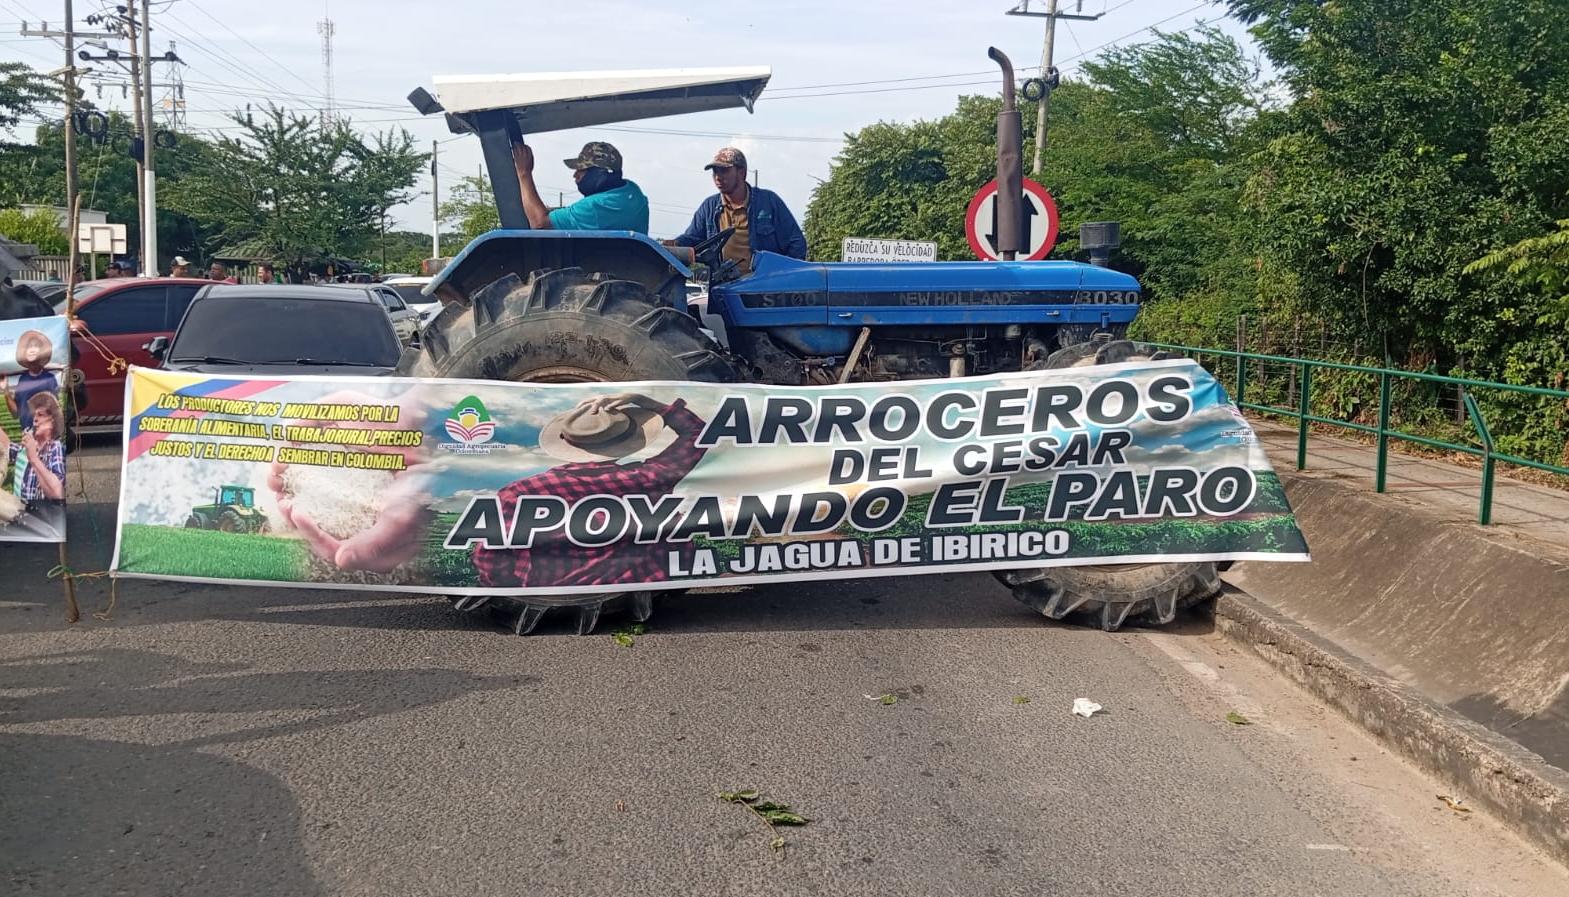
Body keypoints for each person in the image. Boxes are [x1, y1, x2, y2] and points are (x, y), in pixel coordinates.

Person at [474, 392, 707, 589]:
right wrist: (641, 400)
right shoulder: (649, 478)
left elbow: (491, 557)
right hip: (635, 589)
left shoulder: (520, 492)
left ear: (566, 443)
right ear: (625, 442)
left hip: (550, 595)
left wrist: (515, 591)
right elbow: (698, 433)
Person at [670, 147, 806, 277]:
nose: (717, 177)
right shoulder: (709, 207)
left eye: (724, 171)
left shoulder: (768, 202)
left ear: (742, 173)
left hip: (761, 287)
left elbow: (797, 244)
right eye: (715, 172)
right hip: (723, 286)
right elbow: (692, 239)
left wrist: (781, 278)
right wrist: (672, 245)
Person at [510, 140, 649, 233]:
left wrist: (524, 173)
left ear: (599, 173)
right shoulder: (633, 192)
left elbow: (539, 223)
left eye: (581, 170)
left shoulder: (595, 207)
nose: (575, 175)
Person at [1, 390, 66, 505]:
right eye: (34, 415)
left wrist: (33, 459)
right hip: (20, 511)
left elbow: (57, 493)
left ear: (53, 421)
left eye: (40, 415)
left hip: (41, 513)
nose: (35, 419)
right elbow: (7, 447)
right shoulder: (27, 448)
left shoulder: (54, 447)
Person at [4, 329, 59, 432]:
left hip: (45, 433)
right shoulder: (22, 379)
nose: (32, 350)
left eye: (36, 346)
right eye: (29, 347)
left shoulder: (49, 378)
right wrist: (6, 391)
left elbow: (55, 411)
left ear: (43, 351)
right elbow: (16, 414)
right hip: (27, 434)